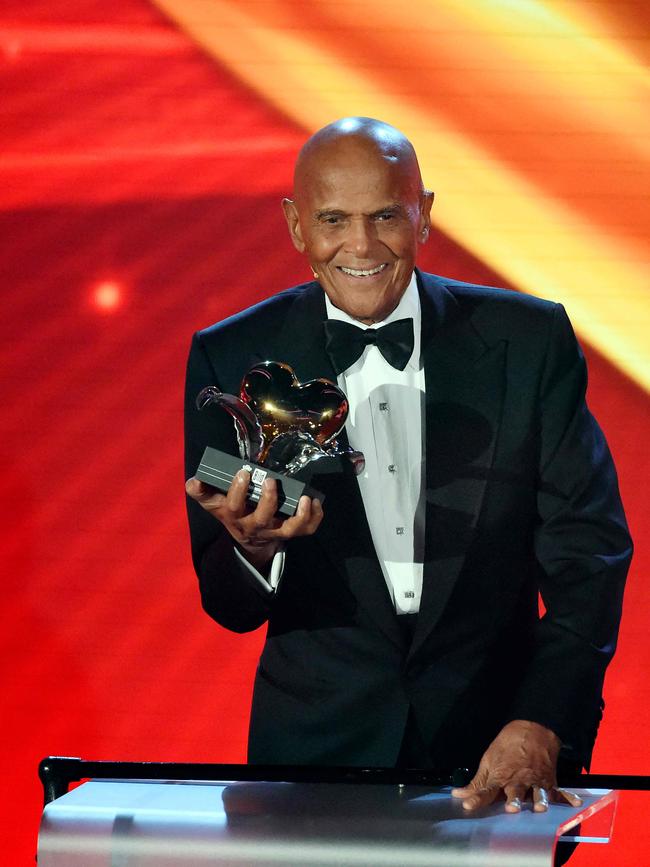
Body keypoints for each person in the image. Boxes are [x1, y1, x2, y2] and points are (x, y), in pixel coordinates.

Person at [184, 117, 631, 816]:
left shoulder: (528, 341)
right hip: (313, 768)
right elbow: (228, 603)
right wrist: (254, 546)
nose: (360, 245)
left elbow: (590, 554)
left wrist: (546, 717)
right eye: (333, 219)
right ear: (297, 225)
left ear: (424, 214)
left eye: (386, 214)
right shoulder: (233, 359)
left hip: (498, 762)